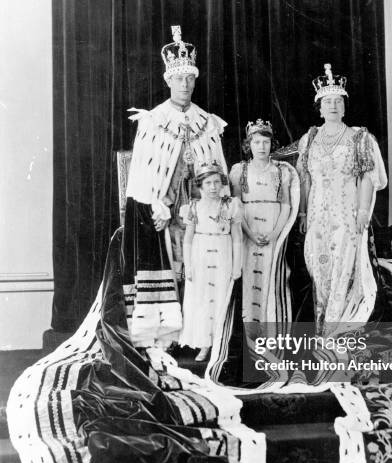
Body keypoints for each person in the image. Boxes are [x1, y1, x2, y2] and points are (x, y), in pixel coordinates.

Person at [123, 25, 229, 352]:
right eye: (179, 79)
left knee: (198, 268)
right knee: (170, 265)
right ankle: (166, 335)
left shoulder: (207, 122)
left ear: (195, 81)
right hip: (162, 212)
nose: (184, 85)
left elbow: (219, 174)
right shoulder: (152, 122)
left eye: (190, 79)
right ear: (168, 80)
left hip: (199, 211)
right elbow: (140, 178)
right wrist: (156, 207)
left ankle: (200, 336)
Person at [295, 63, 387, 335]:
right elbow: (304, 180)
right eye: (327, 101)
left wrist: (362, 213)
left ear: (344, 107)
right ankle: (324, 328)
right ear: (319, 107)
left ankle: (337, 334)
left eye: (337, 101)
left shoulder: (359, 138)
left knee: (342, 271)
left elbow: (368, 178)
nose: (333, 105)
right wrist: (302, 214)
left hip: (346, 217)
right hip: (316, 219)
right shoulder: (309, 139)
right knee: (320, 270)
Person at [230, 120, 299, 327]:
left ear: (272, 144)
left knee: (273, 280)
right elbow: (236, 206)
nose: (261, 147)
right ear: (248, 145)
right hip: (248, 231)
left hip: (273, 231)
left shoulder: (281, 171)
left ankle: (273, 332)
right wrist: (250, 234)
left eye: (266, 142)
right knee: (250, 280)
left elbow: (286, 206)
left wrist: (275, 233)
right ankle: (252, 331)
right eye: (257, 142)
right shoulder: (239, 170)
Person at [179, 163, 242, 361]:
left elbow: (237, 238)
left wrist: (237, 265)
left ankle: (219, 343)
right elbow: (187, 240)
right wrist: (188, 266)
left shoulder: (230, 205)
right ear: (200, 186)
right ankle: (204, 344)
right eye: (208, 183)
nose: (213, 187)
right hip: (200, 255)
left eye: (217, 182)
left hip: (223, 255)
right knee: (202, 300)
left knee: (220, 298)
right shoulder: (193, 207)